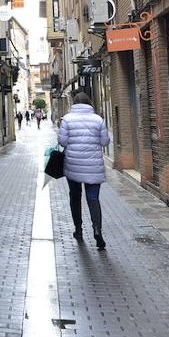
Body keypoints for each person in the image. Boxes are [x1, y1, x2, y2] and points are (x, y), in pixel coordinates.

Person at [57, 92, 111, 249]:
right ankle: (97, 230)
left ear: (74, 103)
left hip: (73, 164)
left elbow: (62, 141)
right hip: (93, 165)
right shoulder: (98, 119)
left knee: (75, 196)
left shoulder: (67, 119)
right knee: (93, 197)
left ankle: (78, 230)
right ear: (90, 103)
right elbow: (105, 142)